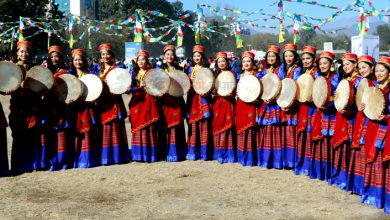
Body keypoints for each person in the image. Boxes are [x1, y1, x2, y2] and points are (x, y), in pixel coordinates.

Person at [10, 41, 45, 175]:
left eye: (27, 51)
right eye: (22, 51)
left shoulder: (34, 69)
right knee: (18, 135)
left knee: (32, 135)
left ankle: (32, 164)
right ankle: (18, 166)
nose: (24, 54)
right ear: (17, 53)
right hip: (18, 106)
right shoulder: (12, 69)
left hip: (32, 106)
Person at [330, 53, 360, 189]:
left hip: (352, 117)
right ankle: (341, 176)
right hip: (343, 115)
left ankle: (348, 178)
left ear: (355, 65)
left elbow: (359, 101)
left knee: (348, 145)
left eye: (348, 64)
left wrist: (348, 108)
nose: (345, 67)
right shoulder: (346, 79)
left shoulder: (359, 80)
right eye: (344, 64)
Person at [96, 43, 129, 165]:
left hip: (114, 102)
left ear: (112, 56)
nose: (105, 56)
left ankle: (117, 156)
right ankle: (105, 156)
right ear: (100, 57)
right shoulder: (98, 70)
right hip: (102, 103)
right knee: (104, 129)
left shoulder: (117, 70)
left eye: (107, 54)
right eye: (103, 54)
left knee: (114, 128)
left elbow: (123, 85)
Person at [347, 55, 375, 195]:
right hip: (362, 119)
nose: (362, 70)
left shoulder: (376, 83)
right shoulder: (364, 82)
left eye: (365, 67)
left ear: (372, 67)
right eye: (360, 68)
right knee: (360, 151)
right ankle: (358, 186)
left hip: (372, 121)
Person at [43, 45, 74, 171]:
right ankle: (52, 161)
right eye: (52, 56)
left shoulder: (66, 72)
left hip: (62, 106)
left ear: (60, 58)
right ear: (49, 58)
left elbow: (72, 89)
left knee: (62, 134)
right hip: (49, 106)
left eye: (57, 56)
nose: (54, 59)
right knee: (50, 134)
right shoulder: (45, 72)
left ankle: (63, 161)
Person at [310, 51, 339, 180]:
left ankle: (329, 172)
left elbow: (339, 98)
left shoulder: (336, 78)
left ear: (331, 64)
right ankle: (320, 171)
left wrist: (329, 105)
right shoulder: (319, 78)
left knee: (329, 141)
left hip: (331, 114)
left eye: (325, 63)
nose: (322, 66)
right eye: (320, 63)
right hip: (320, 113)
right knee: (320, 141)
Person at [129, 50, 160, 162]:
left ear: (147, 61)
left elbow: (158, 87)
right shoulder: (133, 74)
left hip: (149, 101)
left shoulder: (152, 73)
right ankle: (138, 155)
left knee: (149, 127)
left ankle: (150, 154)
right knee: (137, 127)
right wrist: (138, 87)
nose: (141, 61)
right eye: (139, 59)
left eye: (143, 59)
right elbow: (128, 90)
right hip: (137, 103)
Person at [70, 48, 99, 168]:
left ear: (83, 61)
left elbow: (95, 90)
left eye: (80, 59)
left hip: (86, 107)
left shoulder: (89, 75)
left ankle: (87, 159)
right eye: (75, 60)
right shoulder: (70, 75)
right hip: (73, 108)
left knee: (87, 132)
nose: (78, 62)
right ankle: (75, 159)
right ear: (72, 62)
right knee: (74, 133)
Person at [159, 45, 187, 162]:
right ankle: (165, 152)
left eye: (171, 55)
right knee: (165, 126)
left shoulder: (180, 70)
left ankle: (177, 152)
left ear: (174, 57)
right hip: (164, 102)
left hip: (176, 101)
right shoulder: (159, 71)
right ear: (164, 57)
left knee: (177, 126)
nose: (169, 56)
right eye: (167, 55)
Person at [185, 45, 213, 160]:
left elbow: (211, 84)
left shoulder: (207, 69)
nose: (197, 57)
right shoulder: (189, 69)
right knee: (193, 125)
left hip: (204, 98)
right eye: (195, 55)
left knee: (204, 124)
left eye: (199, 55)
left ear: (202, 57)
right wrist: (189, 80)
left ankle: (205, 152)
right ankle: (193, 152)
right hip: (192, 98)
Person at [257, 45, 283, 169]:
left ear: (277, 57)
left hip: (275, 104)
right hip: (265, 103)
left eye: (273, 56)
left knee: (275, 131)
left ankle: (276, 161)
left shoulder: (281, 69)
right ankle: (266, 159)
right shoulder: (264, 70)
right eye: (269, 56)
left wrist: (273, 96)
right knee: (265, 131)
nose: (271, 58)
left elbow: (283, 85)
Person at [295, 46, 319, 175]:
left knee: (310, 135)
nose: (305, 61)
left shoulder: (317, 73)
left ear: (314, 59)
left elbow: (321, 93)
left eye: (308, 58)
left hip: (312, 109)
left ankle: (309, 165)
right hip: (302, 107)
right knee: (303, 135)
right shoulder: (303, 74)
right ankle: (302, 164)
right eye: (303, 58)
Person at [212, 52, 237, 164]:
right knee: (218, 126)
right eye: (219, 62)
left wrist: (231, 94)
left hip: (229, 103)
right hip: (218, 103)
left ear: (227, 62)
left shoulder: (233, 73)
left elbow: (237, 89)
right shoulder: (214, 75)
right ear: (217, 64)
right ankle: (219, 153)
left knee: (229, 126)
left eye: (223, 61)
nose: (222, 63)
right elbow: (212, 90)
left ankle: (229, 154)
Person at [236, 51, 260, 166]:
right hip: (240, 104)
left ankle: (251, 158)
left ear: (252, 63)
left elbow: (260, 91)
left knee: (250, 130)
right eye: (244, 61)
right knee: (241, 129)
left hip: (251, 105)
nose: (246, 63)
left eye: (248, 61)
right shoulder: (240, 75)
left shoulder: (256, 75)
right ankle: (242, 157)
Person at [280, 44, 301, 169]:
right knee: (286, 132)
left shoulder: (297, 69)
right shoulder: (284, 68)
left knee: (291, 132)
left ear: (295, 56)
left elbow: (295, 86)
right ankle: (286, 161)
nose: (288, 58)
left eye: (291, 55)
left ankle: (292, 161)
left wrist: (289, 102)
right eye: (286, 55)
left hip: (292, 103)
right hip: (283, 102)